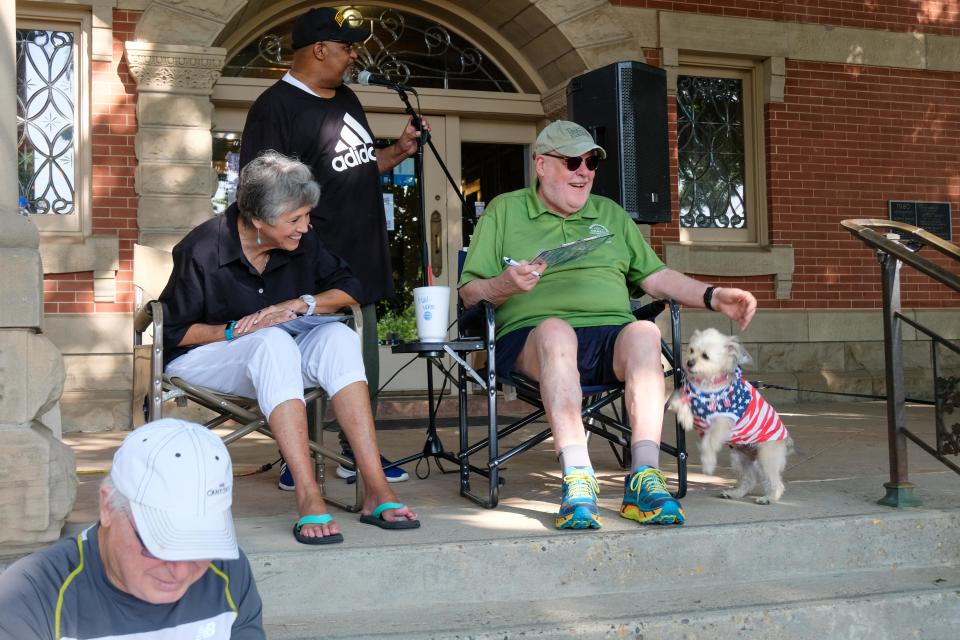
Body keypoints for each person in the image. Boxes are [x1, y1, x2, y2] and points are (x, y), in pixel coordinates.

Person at [458, 121, 757, 530]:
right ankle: (578, 477)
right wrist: (503, 285)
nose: (585, 171)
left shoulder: (611, 214)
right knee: (556, 331)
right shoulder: (505, 210)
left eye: (591, 162)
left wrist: (712, 295)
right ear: (542, 165)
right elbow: (469, 293)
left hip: (609, 338)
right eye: (573, 161)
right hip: (533, 340)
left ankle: (644, 477)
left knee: (644, 333)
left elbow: (656, 277)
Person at [159, 150, 419, 544]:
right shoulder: (202, 249)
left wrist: (302, 304)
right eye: (294, 219)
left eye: (307, 216)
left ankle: (375, 488)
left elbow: (350, 287)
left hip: (279, 357)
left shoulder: (304, 242)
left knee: (337, 337)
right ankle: (308, 493)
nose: (305, 227)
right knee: (271, 340)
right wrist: (237, 330)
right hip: (206, 357)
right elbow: (175, 332)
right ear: (258, 221)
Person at [240, 6, 430, 485]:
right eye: (347, 47)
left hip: (358, 258)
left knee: (355, 362)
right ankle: (296, 455)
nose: (354, 56)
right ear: (319, 49)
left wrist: (399, 151)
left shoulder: (346, 99)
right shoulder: (275, 106)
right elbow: (262, 194)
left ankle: (355, 453)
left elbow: (356, 167)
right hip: (304, 262)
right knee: (298, 359)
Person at [0, 419, 265, 639]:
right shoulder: (33, 595)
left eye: (201, 545)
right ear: (108, 508)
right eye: (157, 544)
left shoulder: (229, 570)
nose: (181, 570)